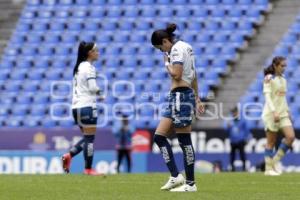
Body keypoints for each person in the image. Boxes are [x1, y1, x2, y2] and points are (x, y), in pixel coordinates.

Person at [151, 23, 205, 192]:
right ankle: (176, 176)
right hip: (179, 96)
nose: (162, 51)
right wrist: (197, 98)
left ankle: (190, 184)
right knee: (159, 137)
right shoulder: (187, 47)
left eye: (161, 48)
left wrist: (166, 63)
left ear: (165, 41)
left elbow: (177, 74)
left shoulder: (175, 50)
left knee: (184, 140)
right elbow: (194, 75)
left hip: (181, 96)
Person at [61, 41, 103, 175]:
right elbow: (92, 87)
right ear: (90, 53)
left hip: (76, 108)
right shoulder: (89, 67)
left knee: (87, 138)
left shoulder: (78, 67)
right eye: (96, 50)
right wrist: (100, 93)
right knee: (90, 139)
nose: (98, 52)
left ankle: (69, 155)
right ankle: (88, 169)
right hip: (87, 106)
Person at [262, 56, 295, 176]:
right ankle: (268, 169)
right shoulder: (269, 78)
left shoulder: (284, 79)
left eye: (285, 66)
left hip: (283, 113)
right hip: (271, 114)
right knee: (271, 142)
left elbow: (282, 98)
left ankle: (274, 162)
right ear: (275, 66)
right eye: (282, 66)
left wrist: (288, 111)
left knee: (291, 137)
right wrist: (274, 111)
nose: (284, 68)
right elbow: (267, 97)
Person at [224, 106, 251, 172]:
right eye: (232, 112)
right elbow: (227, 131)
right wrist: (228, 127)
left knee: (242, 155)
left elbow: (246, 131)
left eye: (234, 112)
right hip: (233, 141)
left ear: (237, 112)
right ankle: (232, 168)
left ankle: (244, 167)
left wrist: (246, 138)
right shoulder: (230, 121)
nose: (233, 114)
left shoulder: (242, 121)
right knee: (232, 155)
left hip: (240, 140)